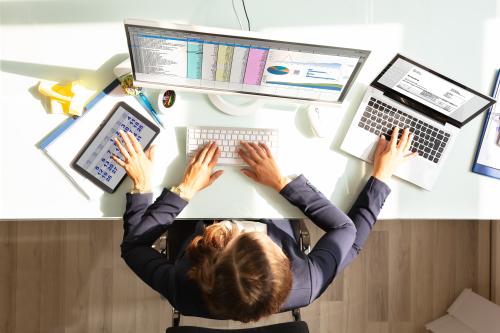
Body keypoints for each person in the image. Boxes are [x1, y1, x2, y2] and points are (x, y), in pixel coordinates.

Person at [113, 126, 416, 323]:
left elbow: (133, 246)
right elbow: (351, 235)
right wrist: (285, 185)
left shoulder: (181, 288)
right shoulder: (307, 283)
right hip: (272, 198)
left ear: (205, 262)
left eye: (235, 235)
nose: (244, 226)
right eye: (255, 238)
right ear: (286, 264)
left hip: (196, 212)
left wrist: (170, 189)